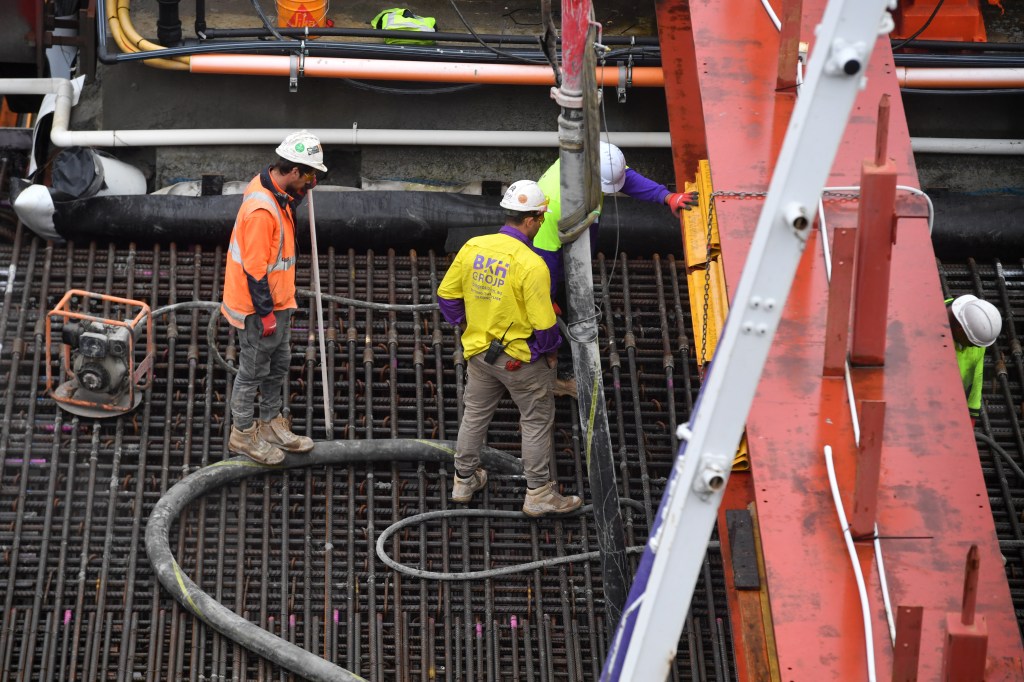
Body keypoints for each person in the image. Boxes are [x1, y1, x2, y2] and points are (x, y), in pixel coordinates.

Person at [437, 180, 584, 517]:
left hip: (479, 354)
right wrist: (548, 352)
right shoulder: (532, 265)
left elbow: (446, 295)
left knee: (474, 416)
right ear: (531, 220)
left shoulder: (474, 246)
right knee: (534, 422)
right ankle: (538, 494)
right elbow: (545, 326)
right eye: (542, 218)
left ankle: (463, 480)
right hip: (520, 361)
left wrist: (466, 324)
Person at [220, 130, 326, 464]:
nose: (312, 181)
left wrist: (298, 195)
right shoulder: (262, 210)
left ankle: (269, 423)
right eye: (309, 175)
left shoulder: (274, 189)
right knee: (252, 371)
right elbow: (255, 270)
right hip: (257, 308)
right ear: (293, 171)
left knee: (278, 364)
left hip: (279, 303)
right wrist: (265, 313)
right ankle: (242, 434)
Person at [532, 141, 698, 305]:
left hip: (583, 219)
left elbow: (627, 179)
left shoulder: (595, 157)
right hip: (549, 244)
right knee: (558, 280)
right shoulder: (557, 204)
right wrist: (547, 300)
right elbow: (544, 256)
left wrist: (667, 197)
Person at [947, 294, 1002, 425]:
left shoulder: (975, 327)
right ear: (960, 328)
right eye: (972, 343)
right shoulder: (926, 329)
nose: (976, 347)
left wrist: (971, 414)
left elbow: (976, 376)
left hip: (952, 410)